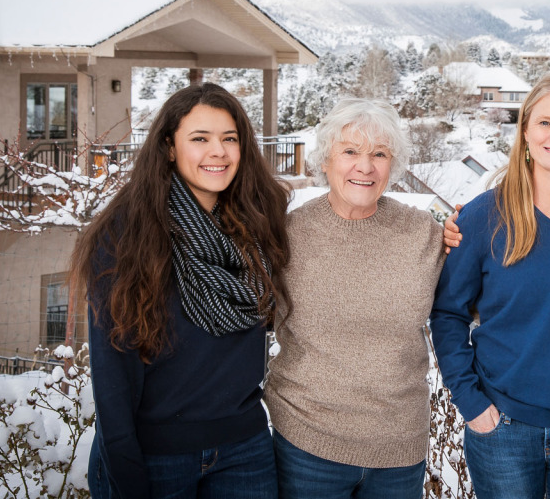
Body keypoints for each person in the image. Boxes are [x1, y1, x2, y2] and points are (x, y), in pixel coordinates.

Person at [70, 83, 290, 499]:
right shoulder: (127, 236)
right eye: (200, 139)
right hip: (155, 454)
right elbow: (111, 368)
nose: (219, 152)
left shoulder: (258, 224)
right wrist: (125, 468)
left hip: (244, 450)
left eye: (230, 139)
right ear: (169, 147)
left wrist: (441, 235)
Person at [431, 72, 550, 499]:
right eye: (545, 123)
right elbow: (447, 315)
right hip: (503, 427)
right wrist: (472, 404)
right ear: (524, 131)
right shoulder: (482, 218)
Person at [264, 98, 446, 499]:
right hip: (306, 445)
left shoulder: (425, 233)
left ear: (392, 166)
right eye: (350, 151)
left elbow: (471, 304)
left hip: (399, 450)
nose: (365, 167)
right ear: (325, 160)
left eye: (379, 154)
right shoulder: (288, 236)